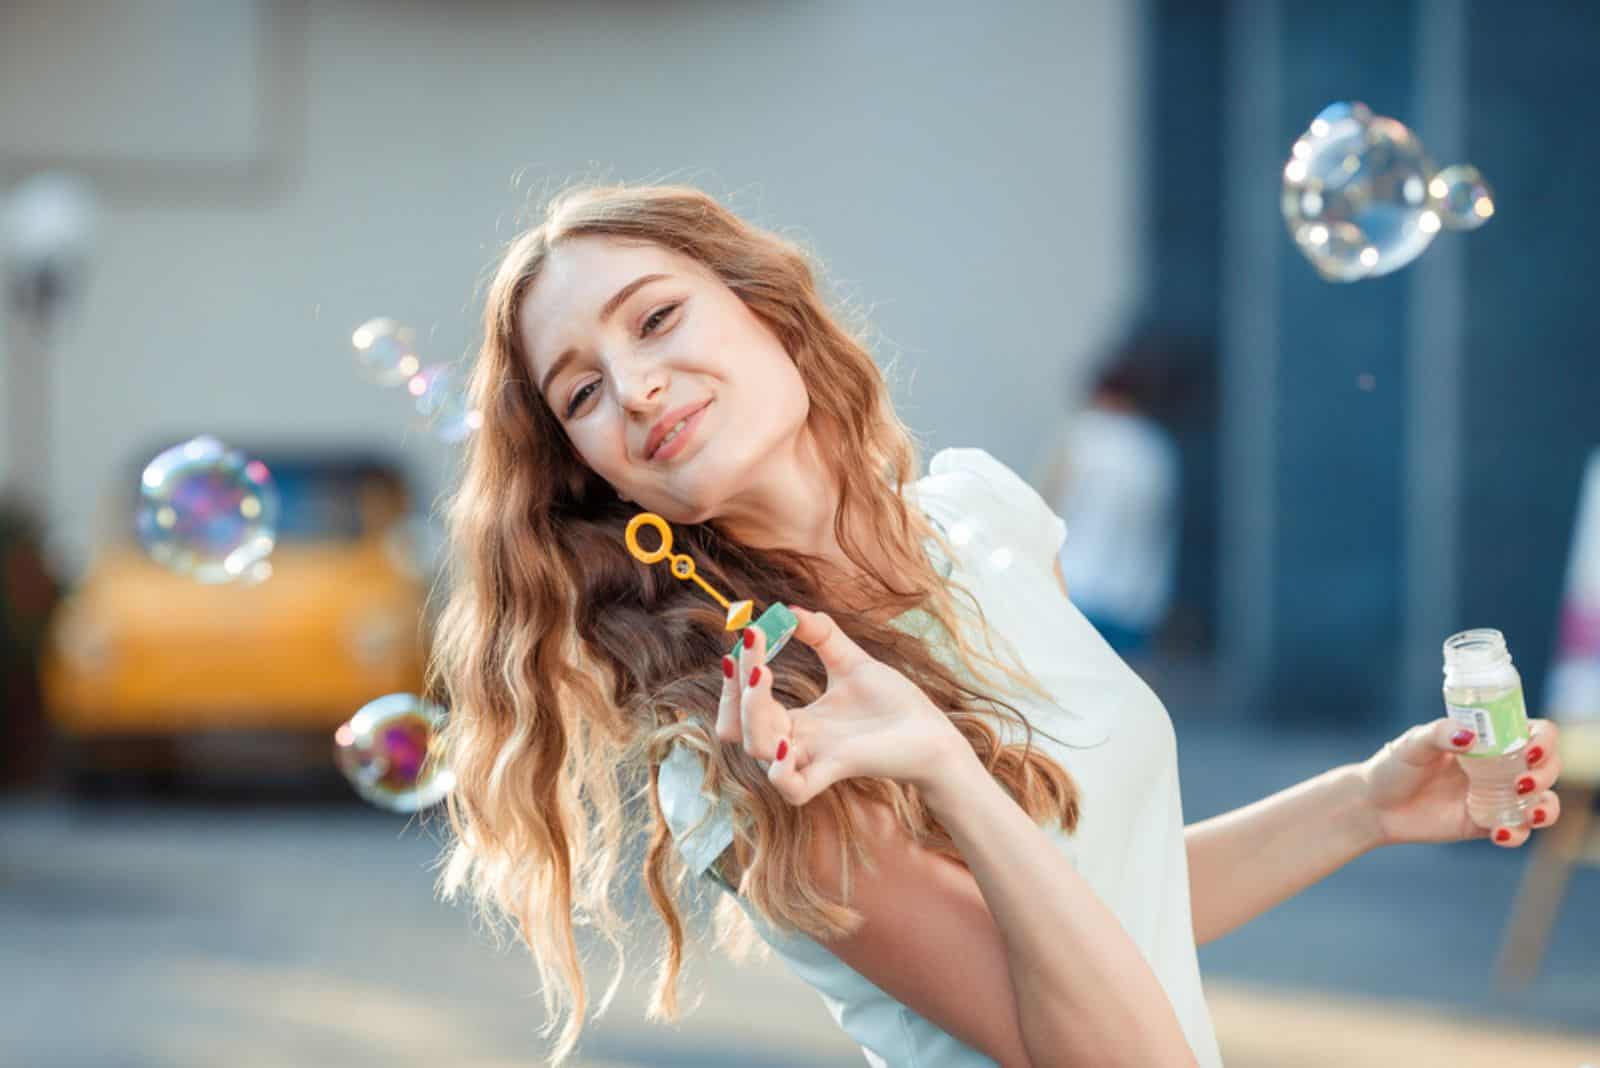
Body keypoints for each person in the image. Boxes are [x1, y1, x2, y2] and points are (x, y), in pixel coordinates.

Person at [428, 183, 1567, 1067]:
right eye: (580, 392)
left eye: (658, 318)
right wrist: (939, 762)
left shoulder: (987, 520)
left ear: (765, 306)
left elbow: (1105, 909)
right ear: (594, 478)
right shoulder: (750, 742)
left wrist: (1360, 805)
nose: (634, 387)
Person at [1034, 333, 1184, 658]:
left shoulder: (1085, 437)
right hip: (1136, 594)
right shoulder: (1156, 449)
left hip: (1077, 584)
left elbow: (1047, 505)